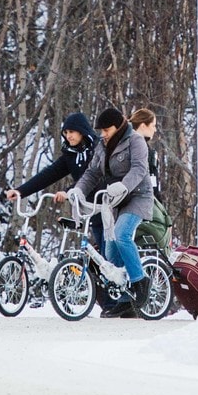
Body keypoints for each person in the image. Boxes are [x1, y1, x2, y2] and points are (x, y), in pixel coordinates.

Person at [4, 112, 117, 314]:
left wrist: (69, 191)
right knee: (94, 259)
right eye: (65, 132)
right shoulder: (70, 154)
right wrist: (21, 191)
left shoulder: (96, 150)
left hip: (107, 206)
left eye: (72, 132)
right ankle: (110, 305)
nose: (68, 136)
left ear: (82, 132)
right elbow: (48, 175)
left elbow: (94, 177)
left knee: (109, 256)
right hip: (87, 211)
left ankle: (122, 300)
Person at [69, 107, 154, 318]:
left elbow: (139, 169)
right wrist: (79, 190)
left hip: (137, 196)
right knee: (111, 250)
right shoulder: (103, 145)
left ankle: (140, 282)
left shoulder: (135, 141)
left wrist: (124, 186)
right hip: (115, 200)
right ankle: (125, 301)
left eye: (106, 130)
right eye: (102, 131)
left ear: (118, 126)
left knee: (122, 234)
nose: (103, 134)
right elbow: (92, 172)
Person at [128, 108, 161, 198]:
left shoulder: (146, 148)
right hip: (138, 199)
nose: (155, 130)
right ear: (143, 126)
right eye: (153, 125)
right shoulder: (131, 146)